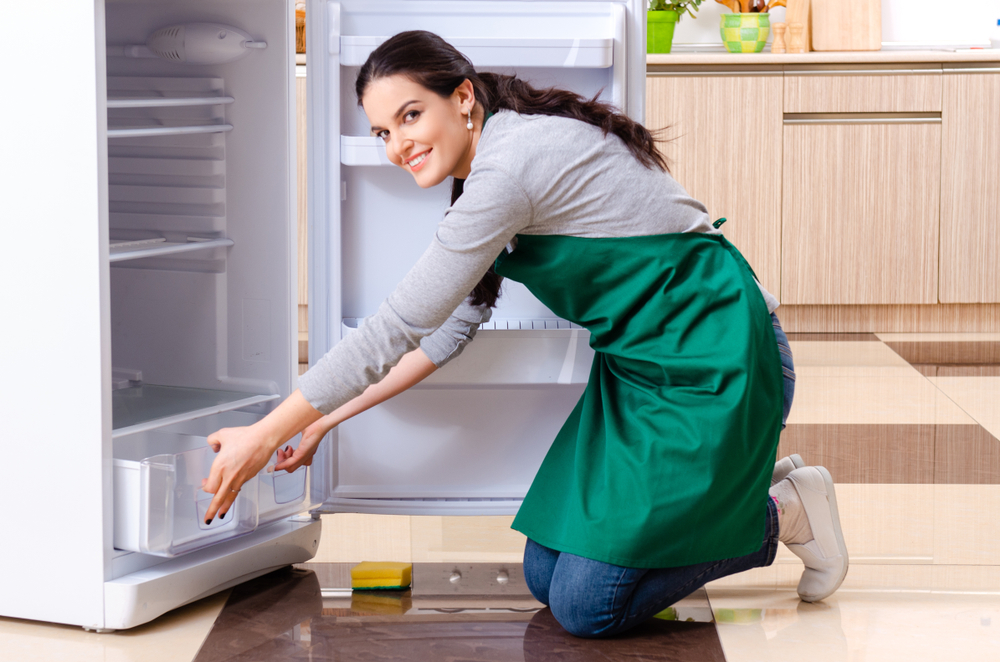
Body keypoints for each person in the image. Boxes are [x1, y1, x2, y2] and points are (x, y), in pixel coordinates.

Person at [202, 30, 848, 638]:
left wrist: (267, 433)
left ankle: (781, 511)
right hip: (640, 375)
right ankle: (752, 487)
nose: (397, 145)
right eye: (380, 132)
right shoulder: (489, 174)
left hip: (721, 361)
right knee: (545, 577)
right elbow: (442, 334)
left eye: (409, 116)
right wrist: (318, 422)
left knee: (588, 607)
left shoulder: (512, 166)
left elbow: (400, 323)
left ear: (461, 98)